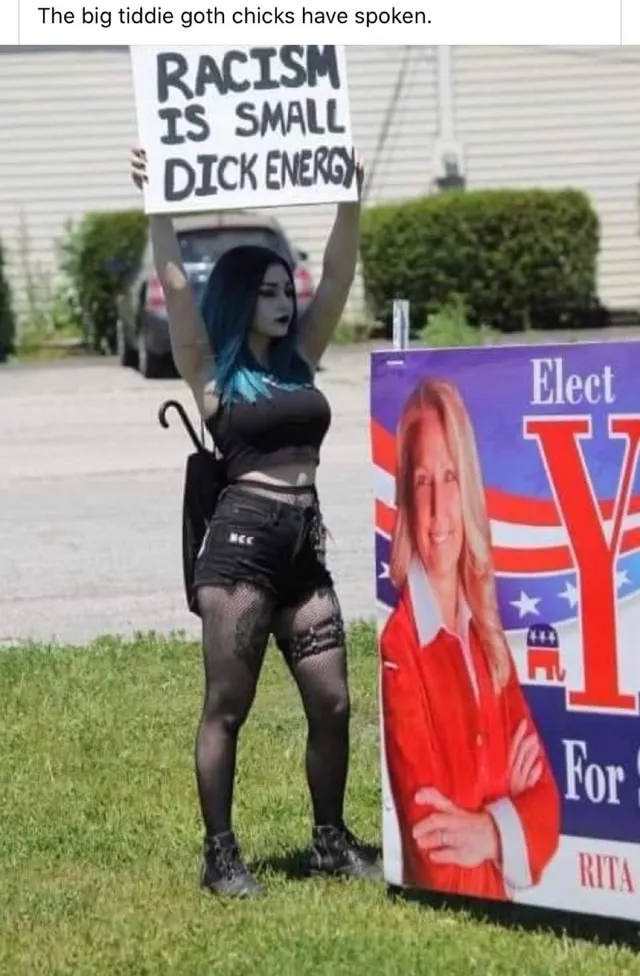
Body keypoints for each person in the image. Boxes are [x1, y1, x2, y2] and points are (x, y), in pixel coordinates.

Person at [130, 147, 381, 899]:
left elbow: (335, 276)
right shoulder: (210, 371)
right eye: (267, 291)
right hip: (240, 549)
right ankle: (220, 857)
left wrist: (348, 200)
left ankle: (330, 841)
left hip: (303, 547)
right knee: (228, 708)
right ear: (241, 298)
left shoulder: (300, 359)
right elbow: (177, 284)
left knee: (333, 702)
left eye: (284, 288)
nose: (284, 300)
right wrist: (158, 202)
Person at [379, 377, 561, 901]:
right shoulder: (400, 649)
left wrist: (486, 829)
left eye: (451, 477)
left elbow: (547, 804)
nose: (438, 508)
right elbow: (433, 841)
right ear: (405, 496)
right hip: (458, 914)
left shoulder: (486, 635)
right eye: (423, 481)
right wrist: (506, 795)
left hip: (500, 910)